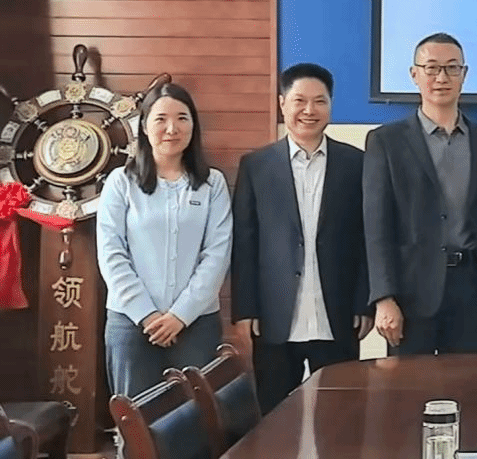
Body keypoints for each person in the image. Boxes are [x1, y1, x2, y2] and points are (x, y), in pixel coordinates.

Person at [231, 63, 370, 414]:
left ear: (331, 105)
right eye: (299, 101)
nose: (310, 110)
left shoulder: (357, 163)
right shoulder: (256, 166)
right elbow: (245, 243)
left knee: (341, 417)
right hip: (275, 318)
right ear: (282, 103)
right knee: (275, 415)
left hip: (337, 315)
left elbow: (367, 239)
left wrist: (364, 302)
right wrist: (246, 309)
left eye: (320, 101)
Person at [363, 32, 477, 354]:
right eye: (432, 68)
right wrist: (384, 297)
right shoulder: (386, 141)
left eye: (452, 68)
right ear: (415, 74)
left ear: (464, 75)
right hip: (410, 293)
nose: (442, 77)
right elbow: (376, 227)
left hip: (471, 291)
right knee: (409, 384)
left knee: (466, 381)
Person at [97, 83, 231, 397]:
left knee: (199, 415)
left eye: (182, 118)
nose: (172, 128)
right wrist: (147, 314)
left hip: (197, 322)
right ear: (144, 127)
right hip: (131, 322)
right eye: (161, 119)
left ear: (194, 126)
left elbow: (217, 254)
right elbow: (111, 253)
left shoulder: (212, 184)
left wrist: (179, 315)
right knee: (137, 416)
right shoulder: (121, 182)